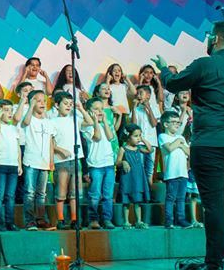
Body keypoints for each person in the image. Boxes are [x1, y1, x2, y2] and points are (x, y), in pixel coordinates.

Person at [153, 20, 224, 270]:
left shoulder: (205, 64)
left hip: (211, 142)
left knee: (213, 206)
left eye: (209, 36)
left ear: (216, 38)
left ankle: (213, 267)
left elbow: (175, 84)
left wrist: (163, 68)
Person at [21, 90, 59, 231]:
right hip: (31, 160)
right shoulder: (29, 119)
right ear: (32, 102)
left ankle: (41, 219)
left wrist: (51, 161)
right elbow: (25, 122)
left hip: (44, 162)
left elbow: (50, 142)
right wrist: (30, 106)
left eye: (44, 100)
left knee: (41, 193)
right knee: (30, 192)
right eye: (38, 100)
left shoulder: (49, 122)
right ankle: (30, 221)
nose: (42, 103)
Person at [51, 91, 84, 230]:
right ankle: (60, 219)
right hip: (61, 161)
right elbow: (50, 142)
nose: (69, 106)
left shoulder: (75, 119)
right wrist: (60, 150)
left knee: (74, 192)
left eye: (71, 104)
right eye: (65, 103)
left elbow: (88, 122)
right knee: (61, 192)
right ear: (57, 105)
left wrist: (81, 108)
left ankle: (75, 219)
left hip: (75, 160)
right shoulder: (52, 121)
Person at [82, 97, 116, 230]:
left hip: (108, 164)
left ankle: (107, 219)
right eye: (96, 109)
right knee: (95, 194)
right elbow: (97, 137)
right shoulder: (87, 127)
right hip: (95, 165)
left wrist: (105, 122)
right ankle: (93, 219)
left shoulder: (103, 125)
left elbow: (110, 137)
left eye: (101, 109)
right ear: (89, 111)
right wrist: (95, 121)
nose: (100, 111)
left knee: (108, 194)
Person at [0, 99, 22, 231]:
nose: (10, 113)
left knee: (10, 196)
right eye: (6, 110)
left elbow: (18, 147)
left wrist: (19, 164)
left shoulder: (14, 128)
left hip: (13, 166)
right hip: (0, 165)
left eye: (11, 110)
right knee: (0, 195)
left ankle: (10, 222)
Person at [158, 111, 191, 229]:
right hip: (172, 173)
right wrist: (178, 143)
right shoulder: (163, 136)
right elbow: (170, 148)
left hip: (183, 172)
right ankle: (169, 220)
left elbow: (188, 152)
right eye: (174, 122)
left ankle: (181, 219)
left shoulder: (181, 137)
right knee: (171, 197)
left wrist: (181, 144)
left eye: (178, 122)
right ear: (166, 124)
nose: (177, 125)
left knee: (181, 198)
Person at [116, 124, 150, 228]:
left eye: (139, 135)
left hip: (138, 177)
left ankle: (138, 221)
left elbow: (150, 150)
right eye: (136, 136)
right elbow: (117, 162)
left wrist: (142, 139)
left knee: (137, 200)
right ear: (128, 136)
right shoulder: (123, 149)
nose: (138, 138)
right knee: (126, 201)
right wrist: (124, 162)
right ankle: (126, 221)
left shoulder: (139, 148)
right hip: (127, 177)